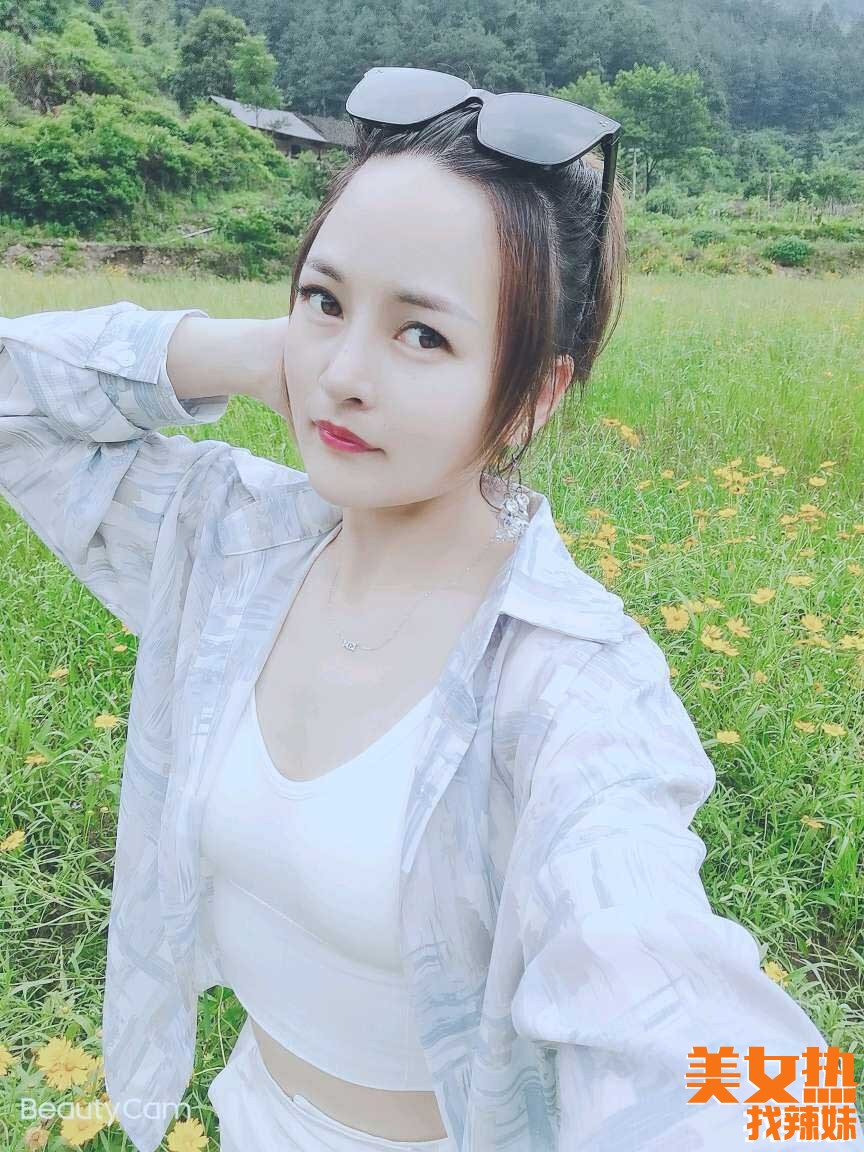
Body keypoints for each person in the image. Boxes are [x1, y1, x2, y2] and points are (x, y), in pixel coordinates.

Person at [1, 68, 861, 1152]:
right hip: (244, 1109)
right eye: (325, 299)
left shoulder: (568, 689)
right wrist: (260, 354)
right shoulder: (225, 542)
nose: (344, 376)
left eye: (424, 336)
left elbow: (679, 1015)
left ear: (533, 397)